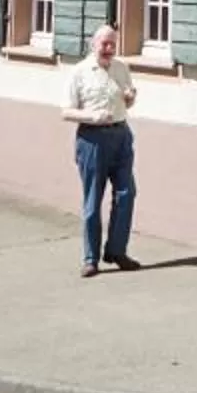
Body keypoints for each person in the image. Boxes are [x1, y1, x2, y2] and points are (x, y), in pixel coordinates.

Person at [60, 24, 139, 277]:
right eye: (104, 44)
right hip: (92, 139)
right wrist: (92, 116)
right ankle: (90, 258)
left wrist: (130, 97)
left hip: (121, 135)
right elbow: (66, 111)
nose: (109, 49)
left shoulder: (121, 68)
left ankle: (116, 250)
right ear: (93, 44)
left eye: (113, 44)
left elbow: (128, 98)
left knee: (127, 194)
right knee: (93, 200)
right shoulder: (80, 72)